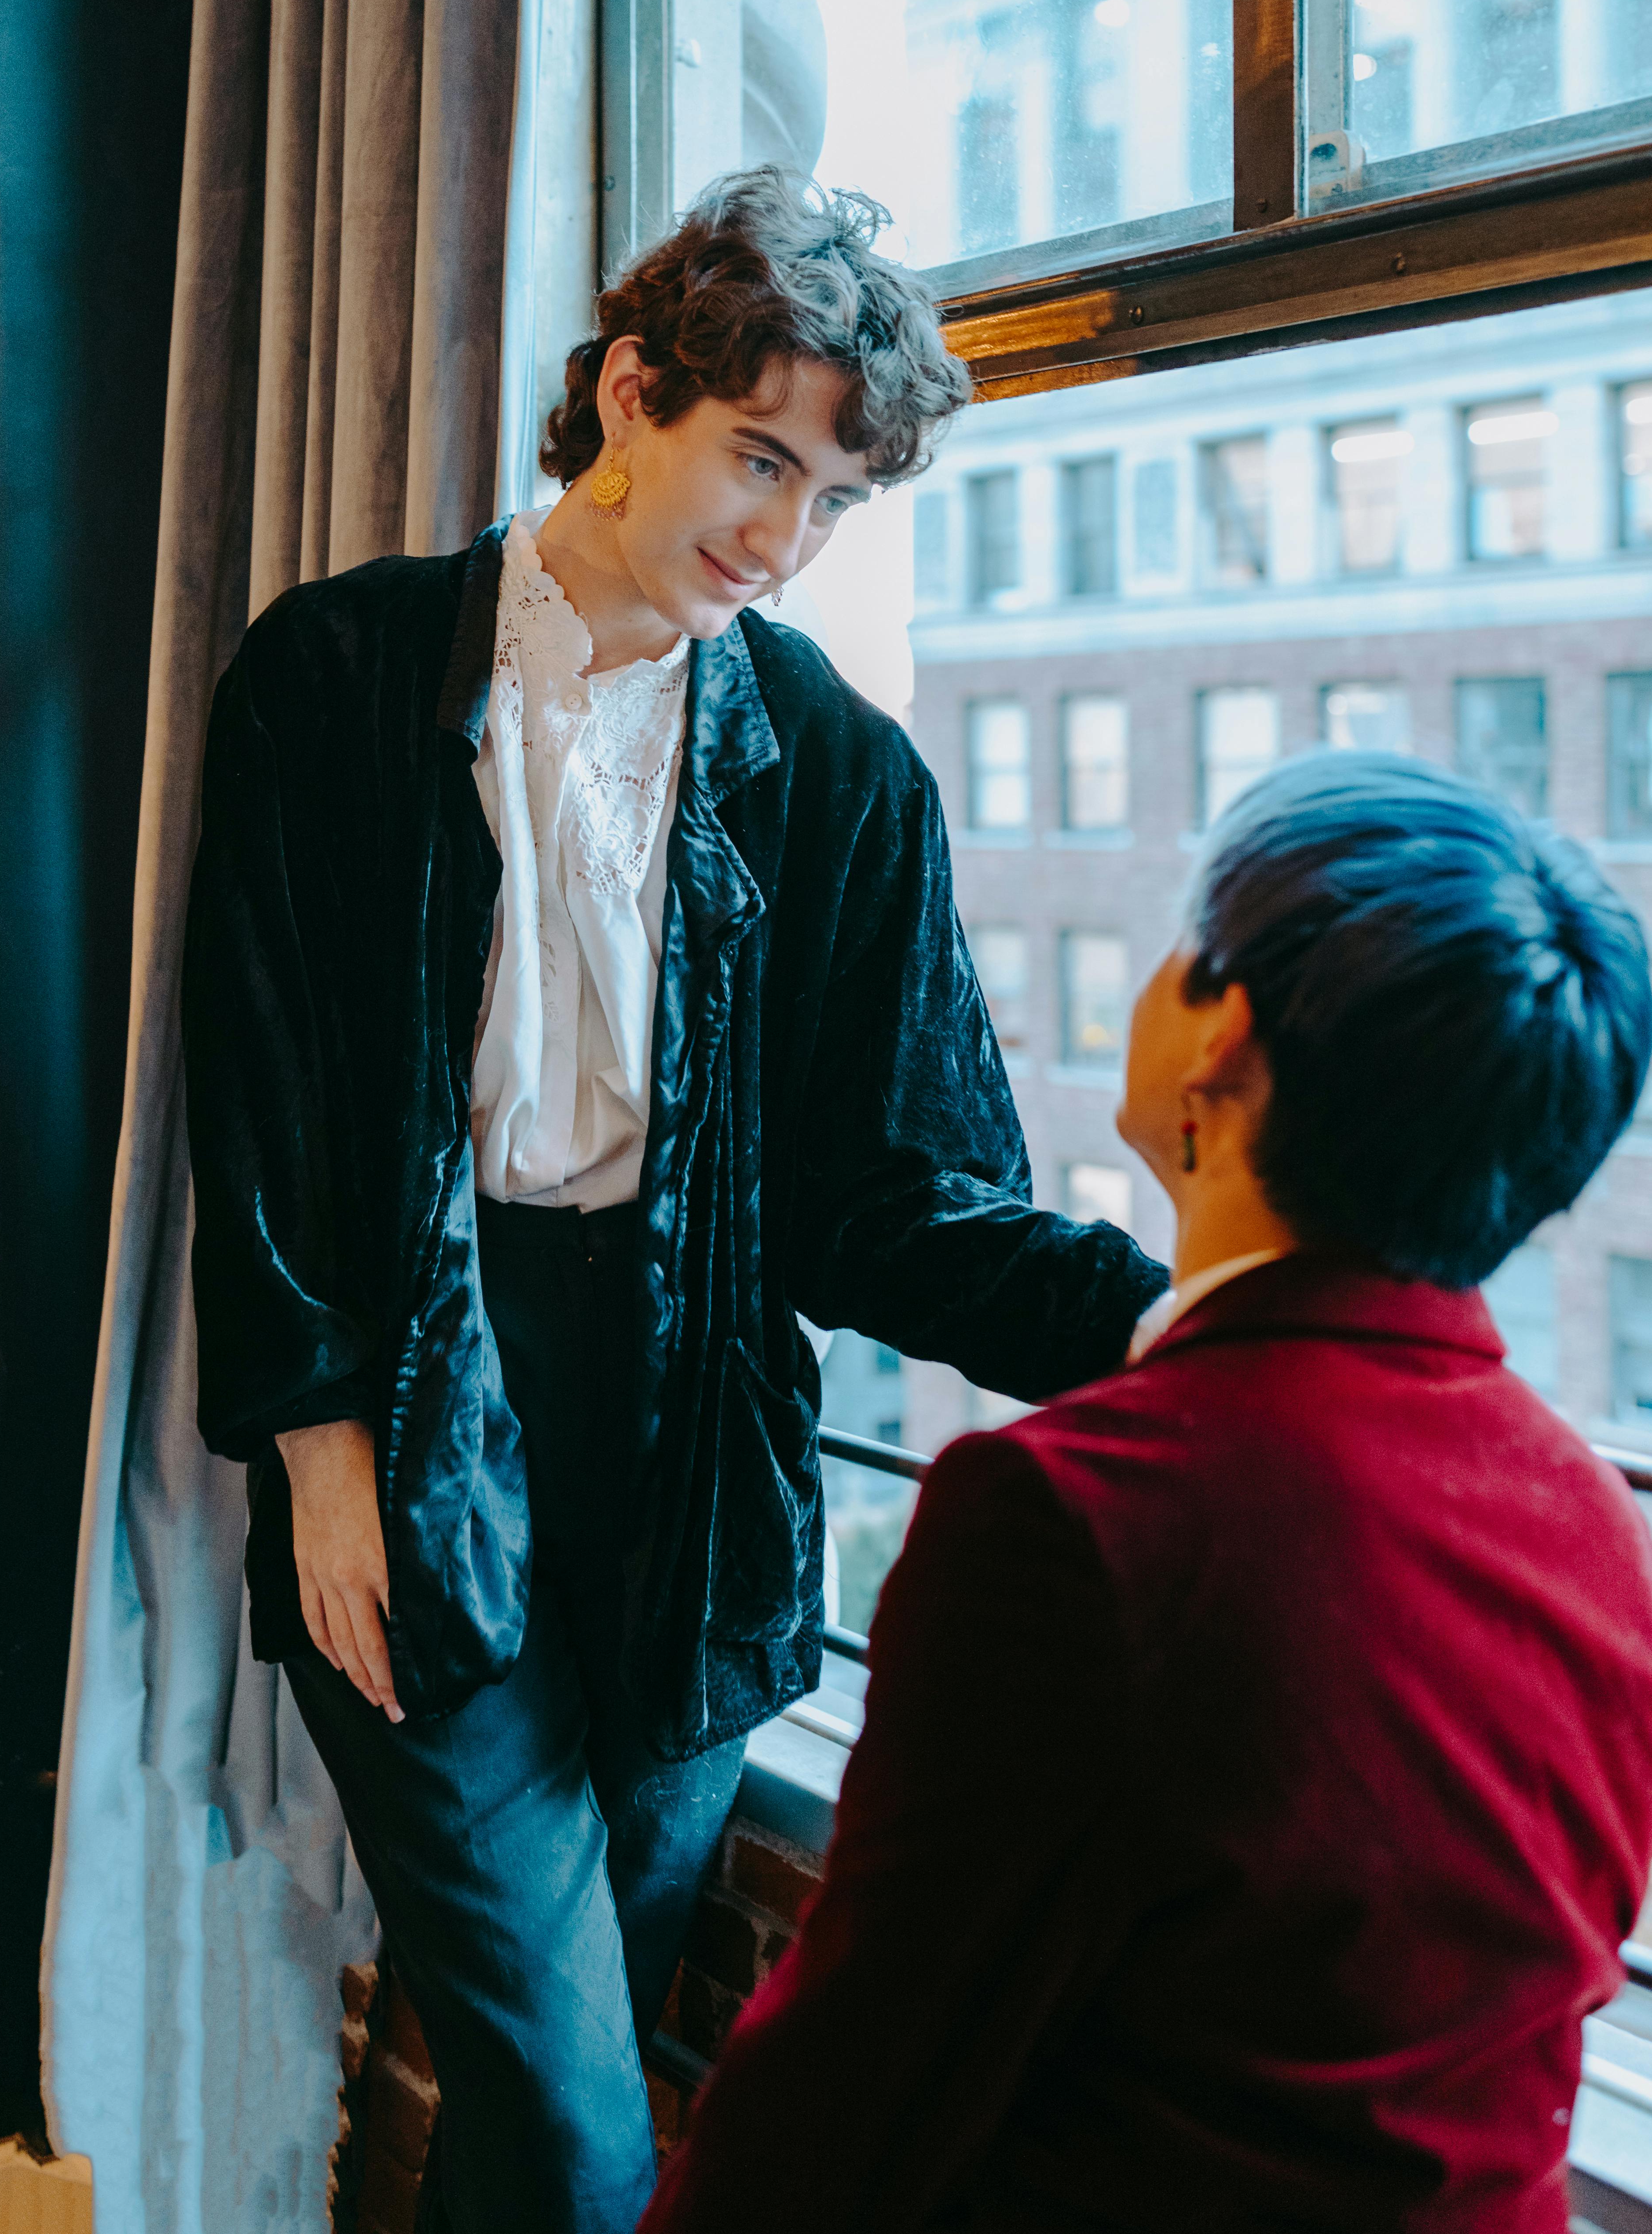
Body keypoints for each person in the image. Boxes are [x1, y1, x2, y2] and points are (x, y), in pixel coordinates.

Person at [179, 168, 1168, 2234]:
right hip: (423, 1435)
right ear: (630, 392)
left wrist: (1168, 1327)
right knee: (575, 2122)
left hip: (693, 1463)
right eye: (758, 459)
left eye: (830, 499)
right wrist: (319, 1451)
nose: (782, 540)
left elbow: (888, 1198)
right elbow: (256, 1101)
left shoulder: (835, 770)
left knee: (583, 2031)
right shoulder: (334, 677)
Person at [640, 749, 1652, 2234]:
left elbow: (847, 2088)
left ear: (1219, 1041)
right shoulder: (1593, 1524)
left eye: (1184, 940)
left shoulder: (1079, 1523)